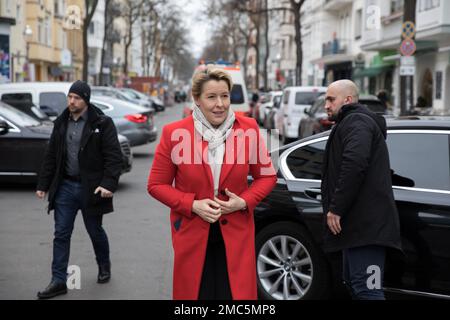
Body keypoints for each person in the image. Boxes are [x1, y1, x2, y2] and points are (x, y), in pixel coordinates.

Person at [147, 67, 277, 300]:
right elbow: (156, 185)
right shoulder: (174, 132)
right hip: (192, 231)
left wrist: (243, 201)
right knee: (198, 295)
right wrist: (192, 204)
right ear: (197, 99)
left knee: (234, 295)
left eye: (225, 96)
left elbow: (266, 177)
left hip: (237, 232)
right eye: (211, 97)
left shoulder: (248, 128)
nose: (220, 104)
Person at [35, 80, 123, 299]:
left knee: (95, 231)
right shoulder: (61, 122)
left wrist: (108, 184)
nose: (72, 101)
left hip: (91, 189)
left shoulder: (102, 123)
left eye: (77, 98)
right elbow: (51, 156)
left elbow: (114, 157)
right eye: (70, 97)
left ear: (86, 100)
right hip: (65, 187)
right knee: (61, 234)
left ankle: (104, 265)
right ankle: (58, 281)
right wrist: (43, 185)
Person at [321, 79, 402, 300]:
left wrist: (336, 208)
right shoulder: (350, 123)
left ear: (347, 100)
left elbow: (355, 163)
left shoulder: (357, 122)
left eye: (331, 99)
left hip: (367, 230)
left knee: (368, 291)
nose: (326, 105)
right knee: (357, 287)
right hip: (357, 228)